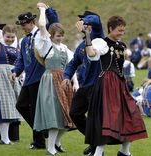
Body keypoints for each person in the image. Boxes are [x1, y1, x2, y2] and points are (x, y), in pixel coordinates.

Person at [79, 15, 148, 156]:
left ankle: (124, 151)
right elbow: (91, 53)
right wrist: (87, 35)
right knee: (106, 118)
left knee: (131, 114)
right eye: (119, 30)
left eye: (123, 31)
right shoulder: (101, 43)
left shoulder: (122, 45)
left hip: (120, 84)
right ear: (110, 28)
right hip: (107, 84)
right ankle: (98, 152)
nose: (121, 33)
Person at [33, 3, 78, 155]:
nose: (60, 38)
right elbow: (41, 25)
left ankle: (57, 143)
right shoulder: (47, 45)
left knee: (67, 115)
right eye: (58, 35)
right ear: (51, 35)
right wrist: (42, 10)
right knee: (54, 116)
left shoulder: (64, 48)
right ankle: (50, 148)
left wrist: (75, 82)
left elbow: (73, 64)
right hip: (50, 81)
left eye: (62, 35)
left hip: (64, 81)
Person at [62, 11, 104, 156]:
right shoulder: (81, 46)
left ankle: (98, 150)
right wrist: (66, 76)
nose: (83, 24)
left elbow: (97, 21)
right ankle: (94, 142)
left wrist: (86, 21)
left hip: (97, 85)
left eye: (85, 23)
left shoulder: (99, 38)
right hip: (84, 86)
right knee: (74, 113)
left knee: (94, 118)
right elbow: (73, 63)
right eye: (82, 22)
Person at [11, 11, 47, 149]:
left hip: (40, 78)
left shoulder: (41, 35)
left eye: (24, 24)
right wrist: (15, 71)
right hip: (28, 80)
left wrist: (44, 10)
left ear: (32, 22)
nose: (22, 27)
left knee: (35, 111)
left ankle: (39, 142)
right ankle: (42, 131)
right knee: (21, 106)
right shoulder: (24, 40)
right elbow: (21, 60)